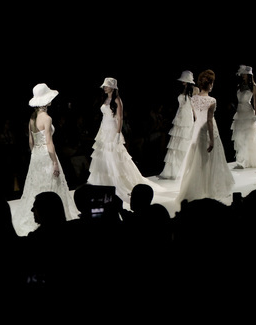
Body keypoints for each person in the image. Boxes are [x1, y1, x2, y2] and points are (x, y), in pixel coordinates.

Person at [12, 83, 79, 235]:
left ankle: (40, 216)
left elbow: (31, 141)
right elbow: (49, 142)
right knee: (51, 185)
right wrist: (54, 162)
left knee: (37, 185)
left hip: (36, 155)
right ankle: (54, 218)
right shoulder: (47, 118)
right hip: (47, 155)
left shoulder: (32, 118)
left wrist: (35, 155)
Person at [87, 78, 161, 203]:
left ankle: (116, 182)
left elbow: (120, 118)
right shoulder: (104, 99)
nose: (104, 88)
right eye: (104, 86)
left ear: (113, 87)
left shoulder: (117, 99)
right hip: (103, 129)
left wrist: (118, 134)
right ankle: (104, 182)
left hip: (112, 129)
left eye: (107, 86)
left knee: (113, 156)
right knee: (103, 155)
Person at [176, 70, 234, 208]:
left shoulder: (193, 99)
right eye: (212, 83)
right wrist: (212, 140)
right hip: (208, 131)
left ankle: (198, 187)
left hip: (197, 130)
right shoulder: (212, 100)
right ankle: (208, 188)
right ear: (209, 84)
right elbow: (209, 121)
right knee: (210, 160)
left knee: (197, 160)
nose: (213, 85)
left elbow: (196, 116)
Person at [159, 71, 196, 180]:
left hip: (187, 118)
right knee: (177, 143)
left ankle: (186, 169)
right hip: (180, 116)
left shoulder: (195, 90)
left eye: (184, 80)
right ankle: (175, 170)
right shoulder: (182, 90)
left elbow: (195, 107)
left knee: (185, 141)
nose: (182, 82)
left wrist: (197, 119)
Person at [231, 65, 256, 168]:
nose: (243, 75)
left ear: (249, 75)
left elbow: (255, 101)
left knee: (249, 135)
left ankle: (249, 159)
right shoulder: (239, 85)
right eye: (242, 74)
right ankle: (242, 159)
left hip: (247, 112)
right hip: (239, 112)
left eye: (245, 74)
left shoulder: (253, 86)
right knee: (240, 135)